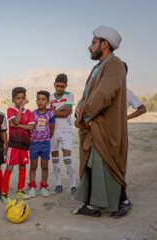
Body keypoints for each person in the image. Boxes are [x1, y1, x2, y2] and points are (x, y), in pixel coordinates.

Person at [74, 25, 131, 218]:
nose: (89, 47)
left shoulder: (114, 64)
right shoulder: (98, 67)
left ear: (104, 44)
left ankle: (124, 201)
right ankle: (92, 206)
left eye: (93, 43)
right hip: (93, 125)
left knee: (107, 164)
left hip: (103, 127)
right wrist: (80, 105)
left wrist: (86, 116)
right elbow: (88, 94)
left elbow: (104, 94)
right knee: (94, 165)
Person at [2, 87, 34, 203]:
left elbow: (30, 127)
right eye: (18, 98)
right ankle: (4, 193)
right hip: (14, 143)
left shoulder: (29, 112)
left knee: (22, 166)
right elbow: (15, 121)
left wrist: (19, 125)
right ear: (13, 100)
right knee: (9, 167)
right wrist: (20, 109)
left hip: (25, 144)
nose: (20, 100)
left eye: (22, 98)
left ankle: (20, 190)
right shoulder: (11, 110)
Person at [49, 73, 77, 195]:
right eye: (57, 86)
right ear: (54, 84)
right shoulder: (50, 97)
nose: (59, 89)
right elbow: (48, 114)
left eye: (62, 86)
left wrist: (54, 111)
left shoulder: (69, 95)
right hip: (53, 129)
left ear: (66, 86)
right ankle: (58, 184)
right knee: (55, 159)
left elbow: (66, 113)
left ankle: (73, 186)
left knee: (67, 158)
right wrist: (59, 110)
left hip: (66, 129)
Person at [28, 91, 55, 197]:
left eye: (43, 99)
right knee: (33, 166)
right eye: (38, 99)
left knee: (44, 166)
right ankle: (32, 187)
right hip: (34, 143)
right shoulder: (32, 114)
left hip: (45, 144)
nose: (40, 101)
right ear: (36, 101)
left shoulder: (50, 114)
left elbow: (52, 129)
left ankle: (43, 187)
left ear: (48, 101)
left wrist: (46, 139)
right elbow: (30, 128)